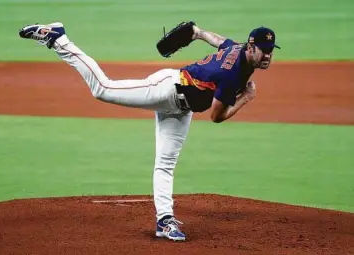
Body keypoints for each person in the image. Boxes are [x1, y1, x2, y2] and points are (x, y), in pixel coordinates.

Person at [19, 21, 279, 241]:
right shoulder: (232, 74)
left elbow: (221, 41)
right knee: (103, 89)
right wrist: (246, 98)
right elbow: (216, 116)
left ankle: (165, 221)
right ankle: (59, 39)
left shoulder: (237, 49)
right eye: (264, 50)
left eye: (271, 51)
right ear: (251, 46)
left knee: (166, 163)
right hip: (166, 88)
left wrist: (199, 33)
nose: (267, 56)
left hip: (181, 108)